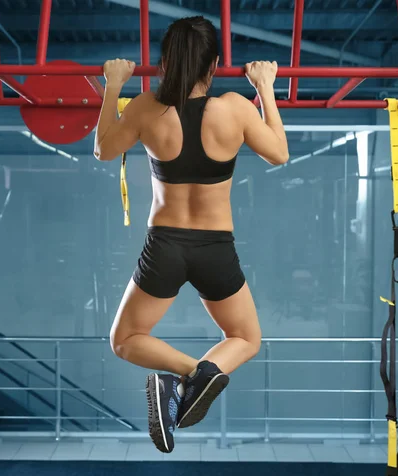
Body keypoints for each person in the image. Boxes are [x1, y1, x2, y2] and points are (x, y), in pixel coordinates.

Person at [93, 16, 289, 453]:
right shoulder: (236, 108)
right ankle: (197, 377)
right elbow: (279, 153)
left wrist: (113, 85)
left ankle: (183, 374)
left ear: (164, 62)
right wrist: (265, 88)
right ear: (215, 64)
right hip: (215, 247)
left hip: (164, 245)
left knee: (124, 340)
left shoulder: (146, 107)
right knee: (246, 339)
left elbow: (103, 148)